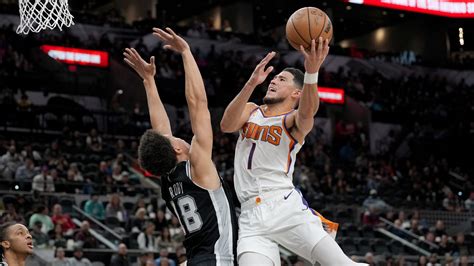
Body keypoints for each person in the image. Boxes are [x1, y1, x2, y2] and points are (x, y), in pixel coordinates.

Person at [220, 38, 365, 265]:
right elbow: (226, 125)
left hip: (283, 205)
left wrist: (312, 73)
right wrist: (250, 83)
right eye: (274, 77)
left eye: (282, 79)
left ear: (296, 93)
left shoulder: (292, 121)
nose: (274, 80)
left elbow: (308, 112)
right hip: (249, 215)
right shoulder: (251, 111)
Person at [125, 27, 237, 265]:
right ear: (176, 149)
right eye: (171, 138)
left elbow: (161, 132)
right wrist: (186, 52)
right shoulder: (197, 168)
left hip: (195, 259)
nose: (173, 135)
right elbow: (198, 104)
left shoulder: (168, 180)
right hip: (217, 260)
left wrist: (149, 81)